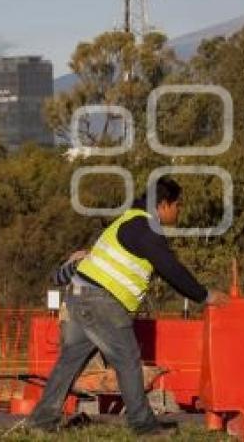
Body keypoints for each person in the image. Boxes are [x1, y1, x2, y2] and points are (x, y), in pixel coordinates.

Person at [29, 177, 228, 435]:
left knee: (70, 362)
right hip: (100, 300)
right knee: (128, 359)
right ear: (164, 205)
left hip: (80, 296)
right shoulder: (146, 227)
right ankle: (144, 427)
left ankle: (42, 422)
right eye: (178, 205)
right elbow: (171, 269)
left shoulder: (129, 220)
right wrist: (204, 295)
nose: (179, 211)